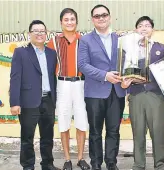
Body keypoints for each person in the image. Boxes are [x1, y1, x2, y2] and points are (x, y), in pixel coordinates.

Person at [121, 16, 164, 170]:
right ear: (136, 30)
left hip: (155, 95)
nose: (144, 28)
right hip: (136, 95)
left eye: (147, 25)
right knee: (138, 131)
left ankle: (159, 164)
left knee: (158, 131)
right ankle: (138, 164)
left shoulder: (161, 48)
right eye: (140, 26)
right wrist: (124, 83)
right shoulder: (128, 49)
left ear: (153, 30)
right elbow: (124, 73)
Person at [77, 4, 126, 170]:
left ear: (110, 17)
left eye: (104, 15)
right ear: (92, 20)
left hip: (117, 92)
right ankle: (96, 164)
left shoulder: (120, 39)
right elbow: (83, 65)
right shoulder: (85, 40)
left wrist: (127, 79)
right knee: (95, 132)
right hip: (95, 93)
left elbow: (126, 64)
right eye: (97, 16)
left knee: (113, 131)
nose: (101, 18)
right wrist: (105, 75)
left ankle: (111, 163)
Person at [9, 20, 60, 170]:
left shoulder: (52, 54)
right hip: (28, 102)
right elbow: (15, 78)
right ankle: (28, 166)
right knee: (27, 138)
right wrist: (14, 102)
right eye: (35, 31)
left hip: (48, 100)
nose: (39, 34)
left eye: (42, 31)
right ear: (29, 33)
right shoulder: (21, 52)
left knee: (47, 137)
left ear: (46, 34)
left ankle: (47, 164)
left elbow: (53, 77)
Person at [46, 8, 90, 170]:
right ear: (61, 22)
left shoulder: (84, 40)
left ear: (76, 22)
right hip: (62, 84)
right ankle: (66, 159)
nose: (69, 22)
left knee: (81, 122)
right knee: (63, 121)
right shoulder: (53, 42)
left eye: (72, 19)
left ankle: (80, 158)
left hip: (80, 84)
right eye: (66, 19)